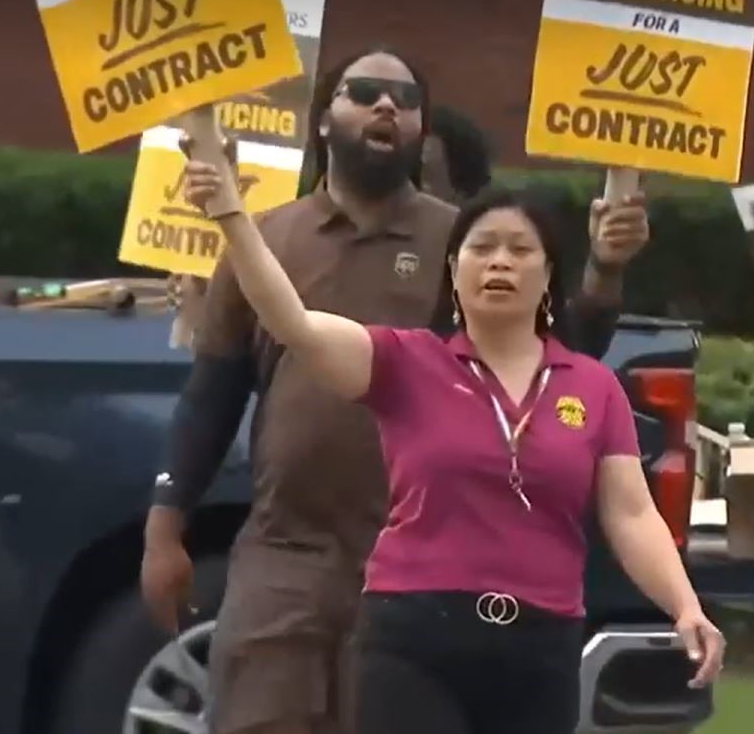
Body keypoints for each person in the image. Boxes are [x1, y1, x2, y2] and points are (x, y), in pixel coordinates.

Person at [139, 46, 652, 734]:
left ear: (420, 131)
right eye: (367, 91)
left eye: (407, 100)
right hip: (286, 551)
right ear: (323, 119)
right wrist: (165, 522)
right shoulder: (268, 241)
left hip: (423, 563)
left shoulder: (462, 243)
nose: (388, 106)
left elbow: (556, 359)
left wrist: (604, 273)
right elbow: (215, 390)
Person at [180, 154, 723, 733]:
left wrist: (684, 604)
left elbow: (631, 512)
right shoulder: (406, 361)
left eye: (520, 250)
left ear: (548, 276)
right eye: (482, 248)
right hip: (414, 636)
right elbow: (294, 322)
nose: (499, 262)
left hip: (542, 642)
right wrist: (231, 215)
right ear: (454, 271)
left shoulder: (592, 387)